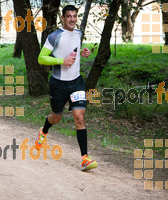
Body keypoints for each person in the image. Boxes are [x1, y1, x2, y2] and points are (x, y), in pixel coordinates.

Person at [35, 5, 98, 171]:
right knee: (56, 117)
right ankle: (44, 131)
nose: (72, 19)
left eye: (75, 16)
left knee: (79, 116)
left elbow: (74, 51)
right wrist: (60, 61)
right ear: (62, 18)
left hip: (76, 82)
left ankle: (85, 158)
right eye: (69, 16)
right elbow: (41, 58)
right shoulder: (55, 36)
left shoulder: (78, 34)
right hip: (58, 84)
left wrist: (83, 53)